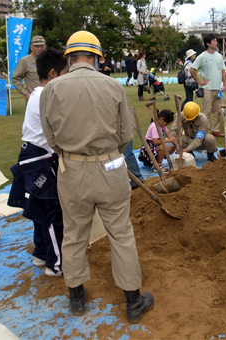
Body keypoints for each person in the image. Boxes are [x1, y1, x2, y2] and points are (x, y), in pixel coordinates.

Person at [39, 30, 153, 323]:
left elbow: (50, 137)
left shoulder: (52, 88)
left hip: (71, 171)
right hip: (109, 169)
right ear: (97, 57)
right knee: (121, 233)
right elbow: (125, 134)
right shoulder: (112, 86)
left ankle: (76, 296)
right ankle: (132, 300)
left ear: (69, 57)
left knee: (74, 234)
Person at [8, 49, 68, 277]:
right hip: (38, 161)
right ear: (53, 73)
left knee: (40, 209)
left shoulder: (36, 93)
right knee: (53, 213)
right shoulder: (47, 96)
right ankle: (56, 265)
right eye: (65, 73)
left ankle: (41, 253)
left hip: (33, 157)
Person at [190, 34, 226, 137]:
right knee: (206, 112)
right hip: (207, 88)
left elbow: (223, 71)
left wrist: (225, 84)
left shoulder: (219, 56)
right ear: (208, 43)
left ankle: (215, 130)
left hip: (218, 88)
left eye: (216, 40)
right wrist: (199, 81)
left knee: (217, 111)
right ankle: (204, 130)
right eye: (214, 41)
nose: (216, 42)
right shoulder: (202, 56)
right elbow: (192, 70)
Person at [11, 36, 46, 100]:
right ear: (31, 48)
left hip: (50, 99)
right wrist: (26, 93)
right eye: (37, 46)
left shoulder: (51, 60)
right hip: (34, 99)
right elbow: (15, 79)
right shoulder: (25, 61)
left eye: (42, 46)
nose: (40, 49)